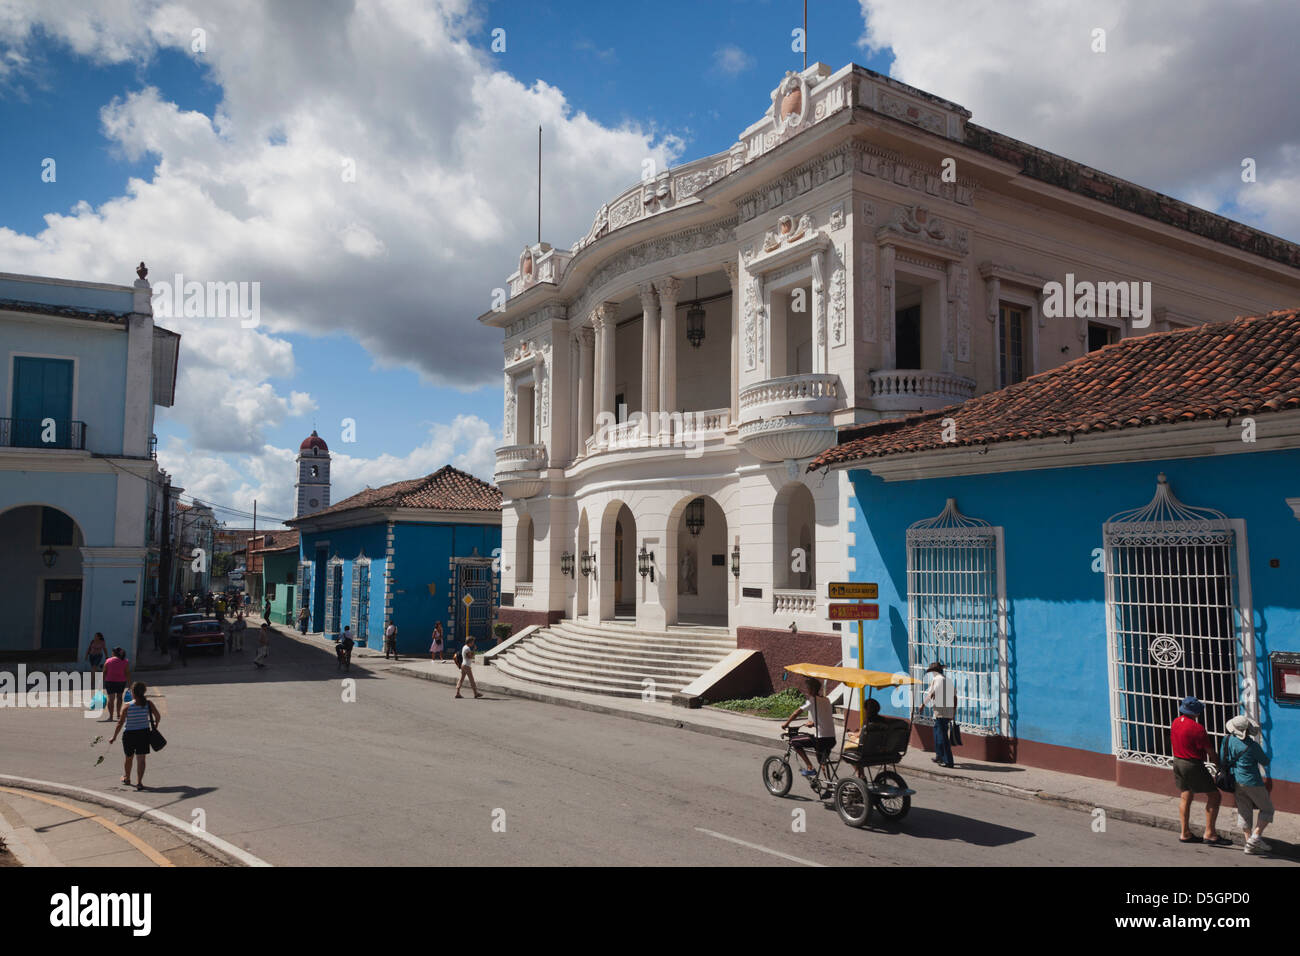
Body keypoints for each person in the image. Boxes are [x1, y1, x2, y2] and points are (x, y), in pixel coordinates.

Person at [1171, 695, 1226, 845]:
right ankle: (1210, 833)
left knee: (1185, 795)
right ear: (1196, 712)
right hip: (1192, 764)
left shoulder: (1176, 722)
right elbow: (1210, 751)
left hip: (1177, 762)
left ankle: (1185, 832)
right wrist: (1219, 766)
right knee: (1214, 796)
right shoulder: (1197, 729)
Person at [1221, 715, 1273, 854]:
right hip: (1253, 782)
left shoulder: (1227, 740)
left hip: (1236, 780)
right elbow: (1265, 761)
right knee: (1267, 809)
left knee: (1244, 811)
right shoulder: (1252, 746)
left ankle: (1248, 844)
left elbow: (1222, 758)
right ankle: (1255, 837)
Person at [109, 680, 160, 791]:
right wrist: (156, 726)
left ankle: (127, 778)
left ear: (133, 692)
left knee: (129, 757)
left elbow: (120, 723)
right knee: (141, 759)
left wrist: (114, 737)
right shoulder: (148, 703)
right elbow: (158, 716)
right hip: (144, 733)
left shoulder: (127, 706)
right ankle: (140, 783)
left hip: (129, 735)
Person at [780, 677, 836, 778]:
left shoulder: (812, 700)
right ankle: (829, 785)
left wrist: (786, 724)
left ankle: (810, 767)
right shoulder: (826, 700)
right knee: (822, 762)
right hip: (831, 739)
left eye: (808, 688)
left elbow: (797, 712)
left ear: (813, 689)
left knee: (794, 741)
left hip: (821, 739)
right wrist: (814, 724)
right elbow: (825, 718)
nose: (806, 690)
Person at [923, 662, 956, 768]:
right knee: (937, 733)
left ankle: (948, 761)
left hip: (940, 711)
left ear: (935, 671)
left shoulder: (937, 679)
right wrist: (953, 711)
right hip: (947, 711)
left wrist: (922, 705)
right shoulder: (948, 680)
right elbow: (955, 697)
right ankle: (939, 755)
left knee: (942, 736)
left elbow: (931, 693)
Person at [102, 648, 130, 722]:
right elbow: (127, 673)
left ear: (114, 653)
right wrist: (130, 684)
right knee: (119, 698)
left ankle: (111, 717)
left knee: (111, 699)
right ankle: (118, 714)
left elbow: (104, 671)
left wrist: (101, 681)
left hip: (110, 681)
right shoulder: (125, 661)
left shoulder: (108, 660)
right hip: (121, 682)